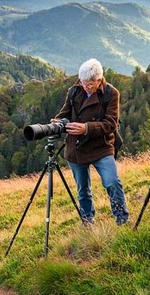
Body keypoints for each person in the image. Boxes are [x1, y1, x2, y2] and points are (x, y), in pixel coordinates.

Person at [53, 58, 129, 225]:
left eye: (90, 84)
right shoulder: (74, 91)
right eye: (83, 83)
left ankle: (121, 219)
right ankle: (87, 220)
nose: (86, 87)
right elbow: (65, 112)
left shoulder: (111, 93)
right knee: (83, 190)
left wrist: (86, 128)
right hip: (77, 147)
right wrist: (58, 121)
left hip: (102, 147)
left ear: (99, 80)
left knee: (112, 182)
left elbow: (110, 123)